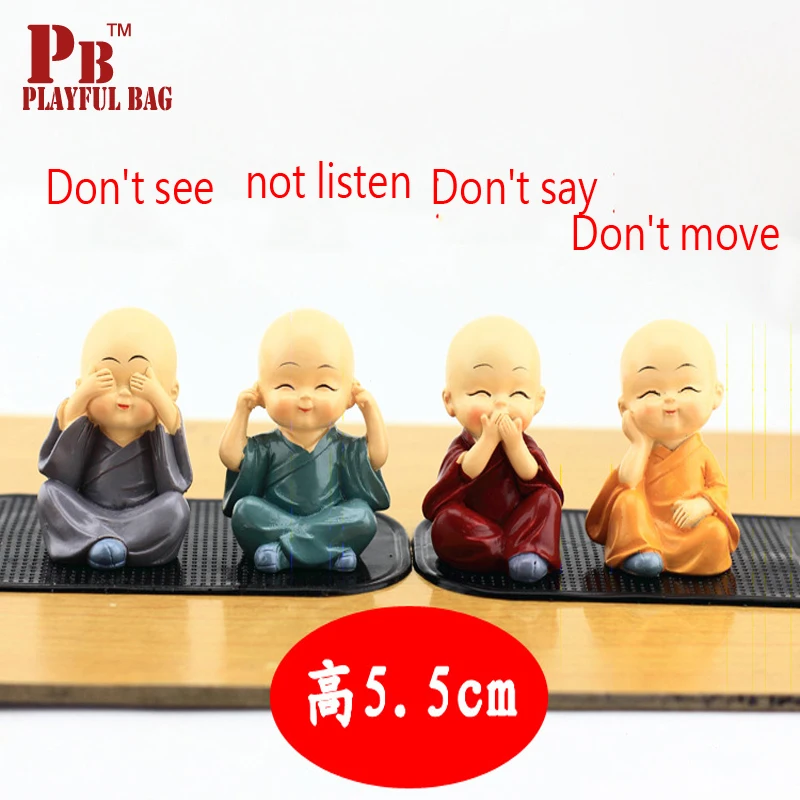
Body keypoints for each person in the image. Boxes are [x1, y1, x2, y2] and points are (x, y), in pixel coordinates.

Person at [219, 309, 390, 573]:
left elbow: (376, 457)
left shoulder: (341, 448)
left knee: (363, 516)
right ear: (262, 392)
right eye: (286, 386)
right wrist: (242, 410)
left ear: (348, 396)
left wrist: (370, 411)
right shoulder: (268, 447)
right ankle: (329, 551)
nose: (306, 397)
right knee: (245, 511)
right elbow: (231, 458)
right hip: (281, 517)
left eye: (324, 386)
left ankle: (282, 552)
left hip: (313, 521)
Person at [37, 308, 192, 569]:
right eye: (107, 382)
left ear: (171, 392)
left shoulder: (156, 435)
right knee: (49, 493)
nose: (123, 395)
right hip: (88, 513)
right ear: (82, 385)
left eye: (139, 384)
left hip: (143, 518)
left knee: (176, 508)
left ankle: (105, 544)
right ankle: (104, 541)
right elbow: (61, 475)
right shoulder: (87, 430)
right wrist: (78, 401)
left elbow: (175, 484)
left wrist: (159, 400)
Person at [585, 320, 739, 577]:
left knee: (716, 532)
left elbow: (719, 489)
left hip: (687, 527)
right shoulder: (644, 449)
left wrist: (702, 505)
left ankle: (681, 558)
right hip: (646, 525)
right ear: (625, 406)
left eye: (687, 388)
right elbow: (628, 480)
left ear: (716, 394)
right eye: (651, 392)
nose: (669, 398)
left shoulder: (700, 453)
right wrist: (640, 443)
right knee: (627, 500)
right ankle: (640, 552)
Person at [422, 316, 563, 583]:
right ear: (450, 400)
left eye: (518, 394)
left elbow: (532, 475)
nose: (501, 404)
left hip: (519, 519)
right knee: (446, 522)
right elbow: (461, 476)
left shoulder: (525, 445)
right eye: (482, 393)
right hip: (476, 526)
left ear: (538, 401)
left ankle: (523, 550)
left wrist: (514, 445)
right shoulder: (462, 447)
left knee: (548, 500)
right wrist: (487, 441)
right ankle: (510, 550)